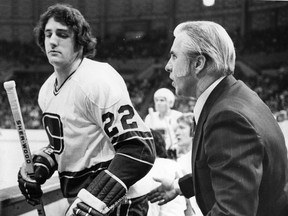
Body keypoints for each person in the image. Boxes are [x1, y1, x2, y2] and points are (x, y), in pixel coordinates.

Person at [17, 3, 155, 216]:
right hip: (83, 202)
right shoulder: (46, 90)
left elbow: (139, 149)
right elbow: (63, 144)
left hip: (119, 205)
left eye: (62, 34)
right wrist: (41, 164)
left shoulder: (96, 80)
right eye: (48, 34)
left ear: (79, 42)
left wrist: (96, 200)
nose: (52, 41)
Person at [148, 21, 288, 216]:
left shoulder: (227, 117)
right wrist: (181, 187)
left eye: (174, 56)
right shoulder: (236, 97)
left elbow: (232, 212)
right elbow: (232, 172)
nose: (167, 66)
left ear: (198, 63)